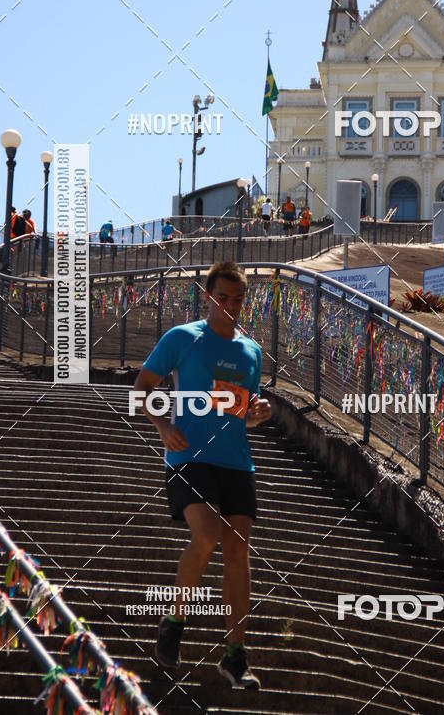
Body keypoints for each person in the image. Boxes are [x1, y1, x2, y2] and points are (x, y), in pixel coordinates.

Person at [134, 261, 271, 689]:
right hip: (188, 456)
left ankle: (235, 656)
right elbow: (142, 387)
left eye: (238, 299)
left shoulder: (251, 352)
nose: (230, 305)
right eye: (222, 297)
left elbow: (242, 410)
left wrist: (258, 414)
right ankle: (175, 620)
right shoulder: (183, 338)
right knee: (208, 535)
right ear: (208, 296)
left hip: (236, 460)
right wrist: (162, 425)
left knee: (237, 552)